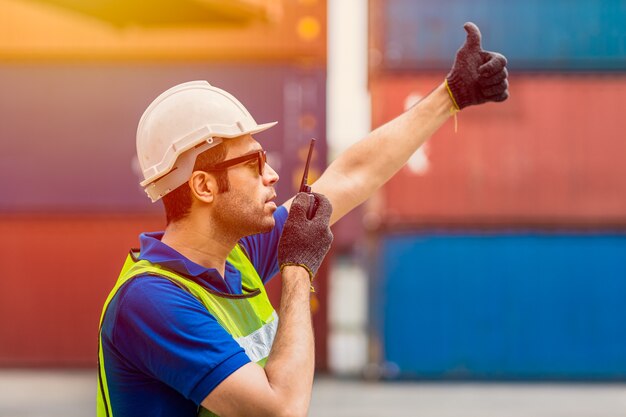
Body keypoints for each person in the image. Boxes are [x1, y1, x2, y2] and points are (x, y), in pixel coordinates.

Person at [97, 22, 508, 417]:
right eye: (254, 163)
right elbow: (282, 409)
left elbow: (350, 176)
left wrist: (449, 96)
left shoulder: (234, 257)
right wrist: (298, 270)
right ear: (204, 187)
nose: (272, 174)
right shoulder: (151, 301)